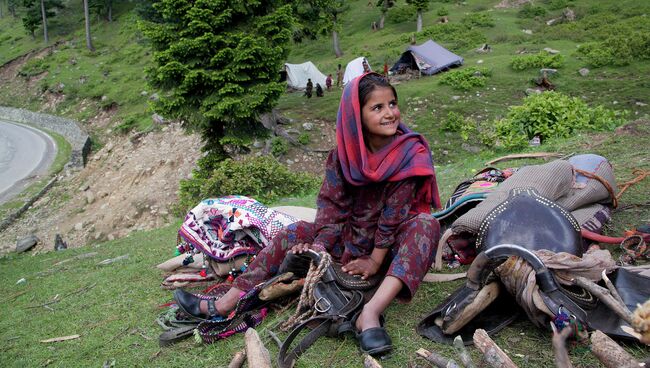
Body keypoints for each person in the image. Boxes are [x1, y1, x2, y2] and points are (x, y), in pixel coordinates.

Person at [174, 72, 442, 356]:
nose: (390, 113)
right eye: (377, 107)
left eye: (392, 104)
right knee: (294, 231)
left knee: (426, 225)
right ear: (356, 116)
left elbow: (394, 217)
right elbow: (331, 207)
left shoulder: (410, 153)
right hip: (349, 238)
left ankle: (370, 314)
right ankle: (227, 302)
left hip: (388, 247)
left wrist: (374, 261)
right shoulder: (343, 156)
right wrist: (320, 247)